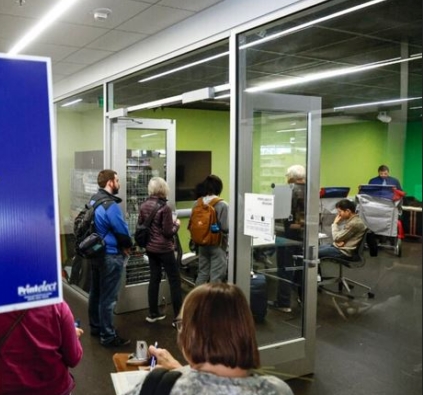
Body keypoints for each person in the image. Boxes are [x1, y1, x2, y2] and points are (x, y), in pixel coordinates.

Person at [124, 283, 293, 395]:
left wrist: (168, 376)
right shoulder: (277, 390)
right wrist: (180, 370)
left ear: (190, 334)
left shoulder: (159, 387)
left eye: (181, 325)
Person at [0, 301, 83, 395]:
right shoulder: (57, 306)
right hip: (54, 389)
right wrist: (72, 335)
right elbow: (74, 358)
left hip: (7, 388)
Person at [88, 169, 133, 347]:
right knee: (108, 298)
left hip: (96, 253)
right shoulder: (110, 206)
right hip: (111, 255)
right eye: (117, 180)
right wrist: (128, 245)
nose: (119, 183)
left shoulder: (93, 200)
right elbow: (122, 231)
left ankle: (96, 327)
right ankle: (108, 335)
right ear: (110, 183)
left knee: (96, 292)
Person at [138, 177, 183, 325]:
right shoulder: (165, 208)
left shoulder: (143, 205)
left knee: (154, 278)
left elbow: (141, 225)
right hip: (164, 249)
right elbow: (168, 232)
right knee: (175, 281)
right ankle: (178, 318)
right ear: (163, 189)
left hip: (150, 248)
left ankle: (153, 313)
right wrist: (177, 224)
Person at [274, 164, 306, 313]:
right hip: (305, 236)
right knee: (302, 268)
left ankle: (284, 303)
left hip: (286, 237)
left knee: (285, 269)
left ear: (291, 177)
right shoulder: (312, 190)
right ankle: (303, 299)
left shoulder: (284, 191)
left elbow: (278, 218)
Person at [194, 175, 229, 285]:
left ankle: (197, 300)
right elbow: (225, 228)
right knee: (216, 276)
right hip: (217, 245)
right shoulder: (222, 204)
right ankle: (213, 301)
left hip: (202, 244)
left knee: (202, 274)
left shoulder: (197, 203)